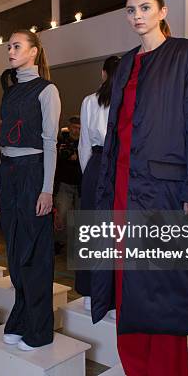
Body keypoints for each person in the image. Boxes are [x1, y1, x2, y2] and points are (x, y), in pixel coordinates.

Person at [94, 0, 188, 375]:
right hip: (122, 189)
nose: (137, 16)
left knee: (163, 289)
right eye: (130, 10)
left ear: (162, 11)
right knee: (127, 285)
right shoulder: (126, 64)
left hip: (166, 191)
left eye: (145, 8)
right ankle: (134, 368)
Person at [0, 29, 61, 351]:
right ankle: (20, 316)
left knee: (35, 254)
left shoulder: (47, 90)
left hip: (33, 173)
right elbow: (4, 139)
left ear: (33, 52)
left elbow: (50, 142)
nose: (10, 51)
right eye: (9, 46)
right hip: (8, 173)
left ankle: (40, 329)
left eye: (16, 45)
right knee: (15, 253)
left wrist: (47, 189)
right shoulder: (8, 92)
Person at [75, 55, 120, 320]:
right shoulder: (128, 99)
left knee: (91, 230)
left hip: (96, 165)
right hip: (119, 166)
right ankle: (114, 298)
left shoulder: (90, 101)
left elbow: (83, 145)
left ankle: (90, 294)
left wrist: (89, 174)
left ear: (103, 73)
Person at [53, 115, 82, 253]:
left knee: (80, 216)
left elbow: (80, 157)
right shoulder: (62, 141)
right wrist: (75, 155)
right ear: (69, 128)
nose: (77, 131)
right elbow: (65, 155)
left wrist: (76, 155)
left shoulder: (84, 142)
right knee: (62, 215)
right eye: (74, 128)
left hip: (80, 185)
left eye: (79, 128)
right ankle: (59, 242)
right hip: (65, 184)